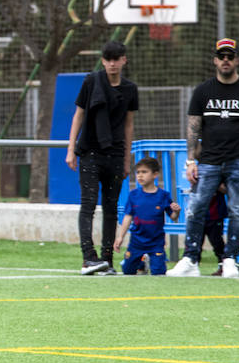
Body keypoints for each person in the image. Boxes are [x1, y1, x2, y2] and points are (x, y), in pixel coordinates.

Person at [169, 38, 239, 278]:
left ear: (236, 60)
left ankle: (230, 260)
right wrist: (191, 160)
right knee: (195, 209)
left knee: (236, 211)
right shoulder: (203, 90)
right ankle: (190, 259)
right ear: (214, 60)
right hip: (209, 161)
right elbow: (193, 127)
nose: (226, 60)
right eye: (221, 56)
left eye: (230, 56)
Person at [65, 39, 138, 275]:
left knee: (111, 207)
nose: (112, 64)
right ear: (103, 60)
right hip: (90, 151)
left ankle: (107, 259)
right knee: (88, 204)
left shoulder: (129, 89)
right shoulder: (91, 81)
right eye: (108, 59)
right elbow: (78, 115)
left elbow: (128, 125)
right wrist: (71, 149)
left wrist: (127, 159)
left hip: (116, 155)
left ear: (124, 60)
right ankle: (88, 257)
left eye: (116, 59)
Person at [116, 157, 179, 275]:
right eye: (138, 172)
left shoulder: (163, 195)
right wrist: (120, 237)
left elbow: (173, 217)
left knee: (158, 272)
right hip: (137, 241)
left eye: (144, 172)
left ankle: (150, 260)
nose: (140, 176)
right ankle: (142, 263)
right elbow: (128, 217)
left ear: (155, 174)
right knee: (128, 271)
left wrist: (177, 211)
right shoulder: (133, 195)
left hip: (156, 242)